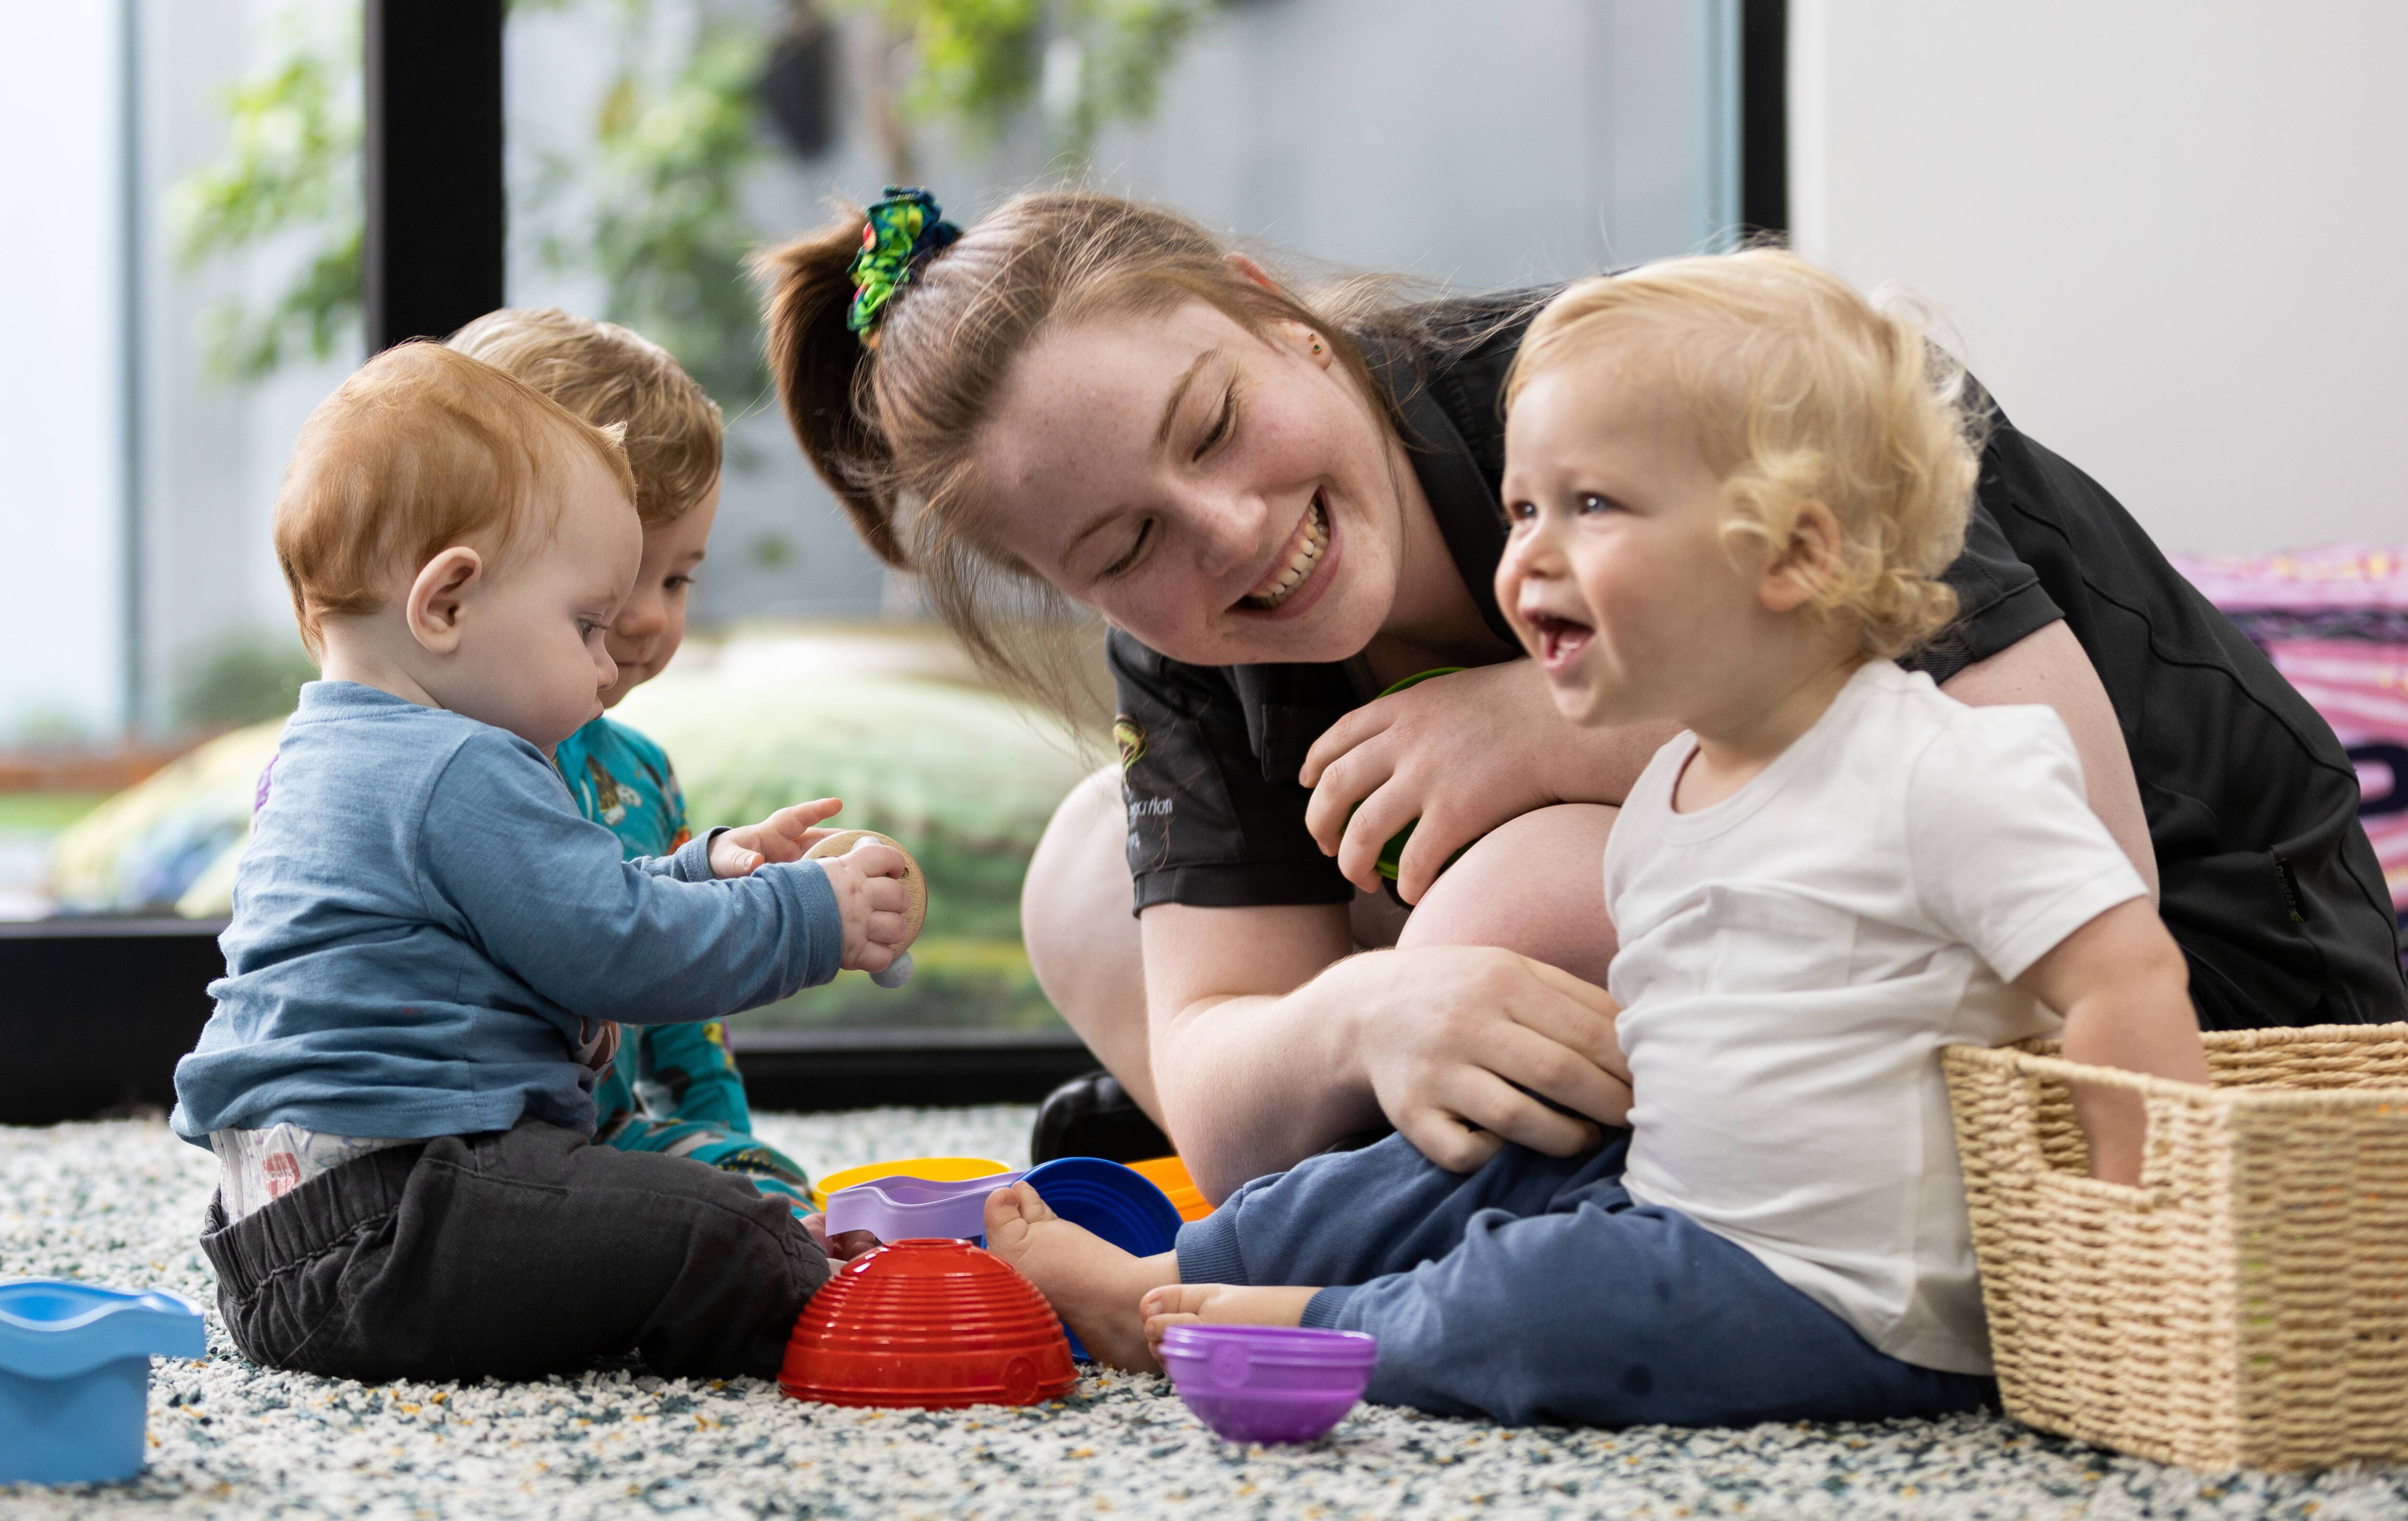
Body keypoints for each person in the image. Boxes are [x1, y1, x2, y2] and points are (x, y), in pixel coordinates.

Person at [757, 188, 2401, 1203]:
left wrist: (1552, 727)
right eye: (1124, 545)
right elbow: (1219, 1082)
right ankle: (1498, 1181)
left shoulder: (1687, 386)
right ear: (1073, 587)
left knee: (1519, 889)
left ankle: (1534, 1208)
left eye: (1210, 429)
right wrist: (1361, 1016)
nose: (1232, 533)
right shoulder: (1187, 637)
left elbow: (2051, 800)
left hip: (2186, 993)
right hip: (1837, 1008)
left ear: (1281, 321)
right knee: (1088, 873)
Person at [975, 251, 2213, 1426]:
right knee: (1462, 1176)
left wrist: (2127, 1244)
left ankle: (1284, 1319)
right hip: (1691, 1184)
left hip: (1853, 1281)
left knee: (1540, 1306)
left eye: (1588, 510)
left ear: (1793, 549)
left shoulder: (1938, 762)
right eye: (1520, 511)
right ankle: (1185, 1258)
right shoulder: (1677, 783)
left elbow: (2121, 974)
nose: (1527, 562)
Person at [170, 343, 915, 1383]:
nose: (610, 662)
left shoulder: (320, 754)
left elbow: (568, 905)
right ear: (448, 604)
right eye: (585, 626)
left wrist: (704, 872)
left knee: (623, 1210)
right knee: (735, 1233)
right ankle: (818, 1329)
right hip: (410, 1217)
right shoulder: (462, 767)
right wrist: (808, 917)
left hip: (271, 1248)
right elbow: (615, 950)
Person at [448, 307, 813, 1212]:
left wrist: (732, 1148)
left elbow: (688, 1022)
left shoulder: (641, 774)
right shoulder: (441, 772)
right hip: (465, 1144)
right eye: (611, 587)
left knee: (765, 1191)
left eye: (677, 578)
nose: (650, 616)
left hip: (606, 1143)